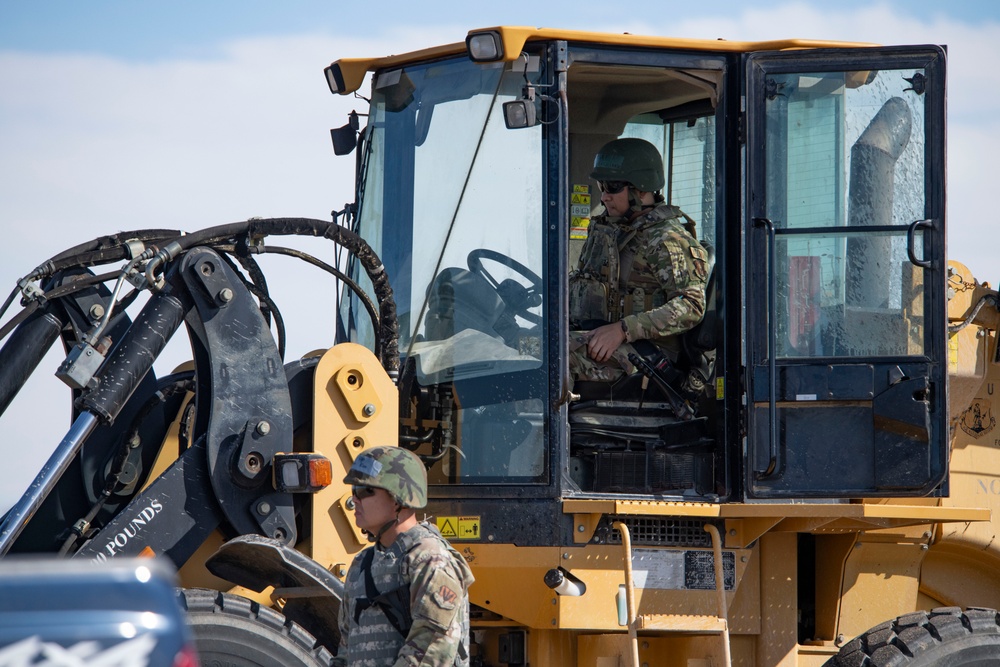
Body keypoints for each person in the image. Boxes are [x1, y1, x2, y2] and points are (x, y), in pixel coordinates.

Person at [569, 138, 709, 389]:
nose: (603, 196)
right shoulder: (611, 231)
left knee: (553, 360)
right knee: (530, 347)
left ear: (641, 190)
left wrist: (623, 330)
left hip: (649, 355)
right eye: (601, 185)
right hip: (607, 339)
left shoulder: (666, 238)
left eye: (612, 187)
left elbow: (692, 305)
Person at [335, 446, 474, 666]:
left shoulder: (429, 558)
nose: (354, 500)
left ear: (398, 499)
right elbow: (346, 648)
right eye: (354, 489)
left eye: (364, 490)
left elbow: (432, 648)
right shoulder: (362, 564)